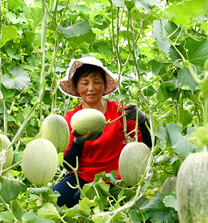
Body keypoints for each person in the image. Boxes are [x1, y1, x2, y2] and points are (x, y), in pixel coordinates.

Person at [52, 56, 152, 208]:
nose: (91, 88)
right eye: (85, 83)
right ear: (77, 87)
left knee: (81, 200)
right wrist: (78, 142)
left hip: (113, 181)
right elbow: (68, 164)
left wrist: (143, 120)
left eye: (96, 82)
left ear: (104, 86)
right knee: (52, 200)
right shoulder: (72, 118)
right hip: (80, 178)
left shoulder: (120, 111)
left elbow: (150, 143)